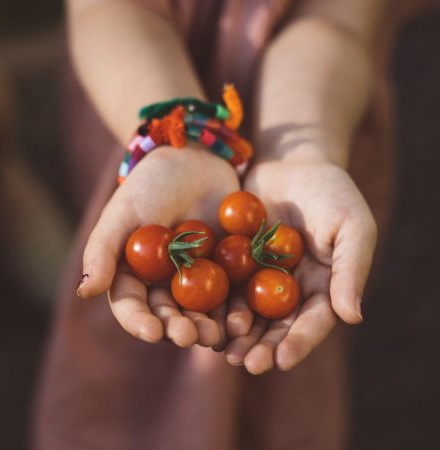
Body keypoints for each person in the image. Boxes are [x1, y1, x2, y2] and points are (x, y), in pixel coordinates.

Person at [32, 0, 428, 449]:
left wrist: (305, 147)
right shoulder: (214, 243)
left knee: (290, 356)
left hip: (315, 100)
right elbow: (107, 13)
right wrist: (180, 141)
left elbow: (336, 22)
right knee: (132, 360)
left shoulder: (263, 245)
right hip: (137, 92)